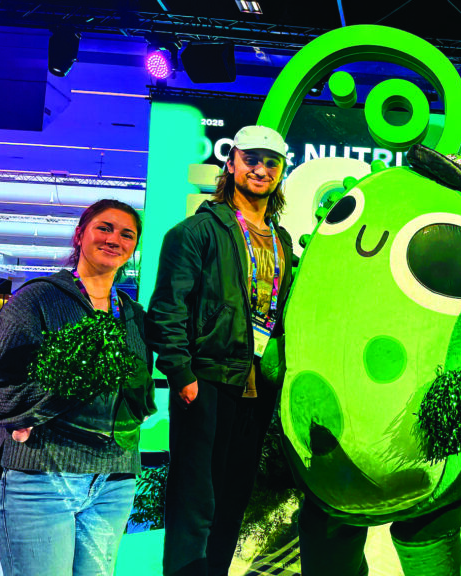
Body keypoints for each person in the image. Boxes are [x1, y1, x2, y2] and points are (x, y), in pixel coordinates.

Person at [147, 125, 294, 576]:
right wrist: (181, 375)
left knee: (232, 500)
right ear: (231, 162)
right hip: (206, 380)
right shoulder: (195, 232)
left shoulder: (282, 239)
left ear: (281, 172)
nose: (260, 169)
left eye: (271, 162)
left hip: (256, 387)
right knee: (195, 501)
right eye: (251, 159)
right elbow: (167, 309)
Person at [0, 199, 156, 576]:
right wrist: (60, 392)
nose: (115, 238)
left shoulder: (132, 315)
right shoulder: (37, 300)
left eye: (127, 234)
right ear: (81, 234)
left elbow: (137, 397)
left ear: (134, 247)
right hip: (43, 477)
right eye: (105, 228)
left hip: (112, 483)